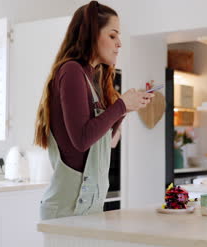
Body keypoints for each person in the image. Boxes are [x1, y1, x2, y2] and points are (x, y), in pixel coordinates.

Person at [34, 1, 153, 220]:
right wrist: (121, 106)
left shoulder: (90, 77)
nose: (119, 44)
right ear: (91, 35)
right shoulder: (71, 71)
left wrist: (125, 109)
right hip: (67, 209)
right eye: (112, 35)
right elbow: (81, 138)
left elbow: (107, 141)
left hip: (86, 207)